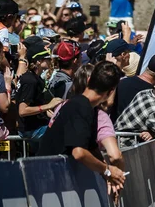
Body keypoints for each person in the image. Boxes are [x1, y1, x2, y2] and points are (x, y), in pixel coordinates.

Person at [39, 61, 126, 195]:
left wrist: (108, 176)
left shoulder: (83, 107)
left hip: (50, 176)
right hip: (48, 178)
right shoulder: (81, 107)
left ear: (90, 80)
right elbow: (79, 152)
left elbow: (91, 148)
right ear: (110, 92)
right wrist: (107, 170)